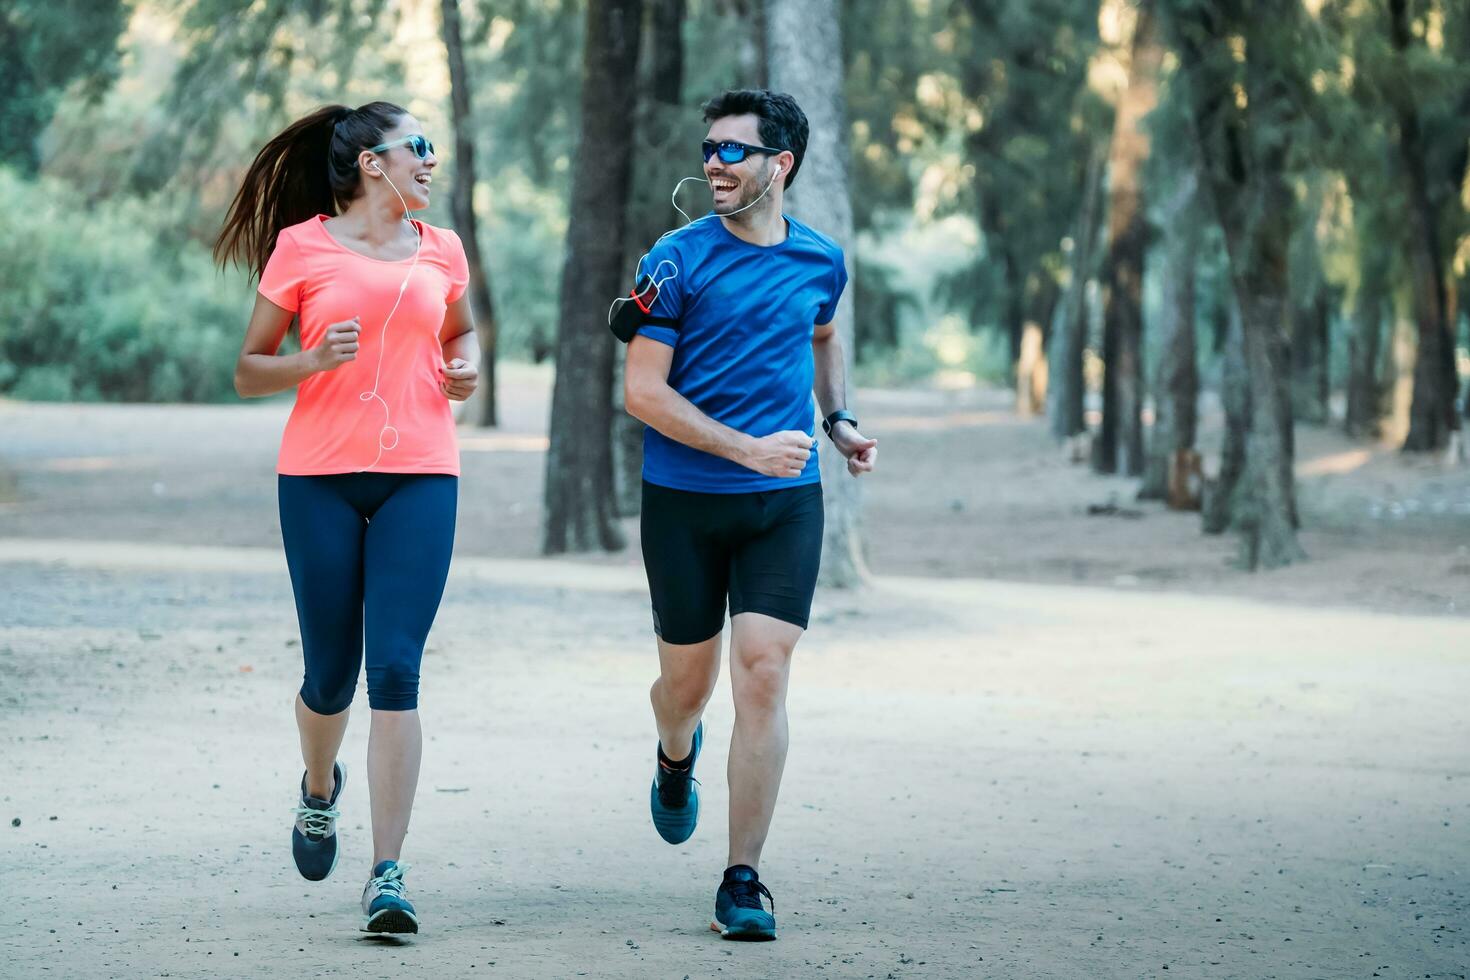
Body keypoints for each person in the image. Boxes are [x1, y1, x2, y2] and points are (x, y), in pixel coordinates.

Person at [215, 100, 479, 935]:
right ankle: (318, 788)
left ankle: (388, 875)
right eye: (419, 148)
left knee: (395, 671)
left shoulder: (443, 249)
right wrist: (307, 359)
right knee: (330, 675)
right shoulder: (303, 248)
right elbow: (248, 370)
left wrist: (464, 367)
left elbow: (462, 333)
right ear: (373, 163)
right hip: (320, 480)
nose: (431, 162)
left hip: (422, 476)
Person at [621, 88, 878, 941]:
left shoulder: (821, 261)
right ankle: (673, 751)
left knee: (764, 672)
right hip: (686, 506)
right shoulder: (673, 259)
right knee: (685, 688)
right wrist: (746, 449)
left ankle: (743, 879)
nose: (714, 164)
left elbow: (822, 335)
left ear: (781, 165)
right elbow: (642, 393)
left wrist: (836, 421)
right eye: (710, 150)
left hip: (782, 507)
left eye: (734, 151)